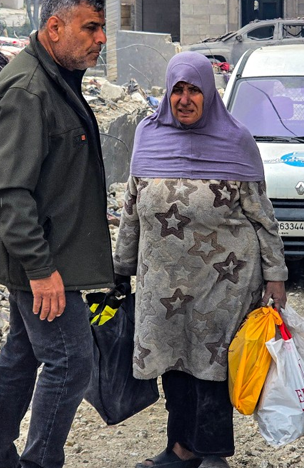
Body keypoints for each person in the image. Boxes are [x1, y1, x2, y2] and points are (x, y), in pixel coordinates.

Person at [0, 0, 113, 468]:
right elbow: (7, 193)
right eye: (91, 28)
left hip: (44, 251)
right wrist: (40, 269)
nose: (101, 39)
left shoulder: (54, 77)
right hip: (41, 259)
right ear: (55, 27)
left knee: (22, 353)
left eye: (102, 29)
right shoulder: (29, 90)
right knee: (71, 362)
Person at [113, 52, 289, 468]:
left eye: (194, 90)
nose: (185, 99)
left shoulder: (235, 140)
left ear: (209, 93)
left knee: (213, 365)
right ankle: (180, 448)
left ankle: (212, 453)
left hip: (224, 280)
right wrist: (120, 268)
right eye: (178, 90)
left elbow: (262, 217)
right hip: (162, 281)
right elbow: (131, 208)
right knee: (172, 363)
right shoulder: (148, 135)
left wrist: (275, 275)